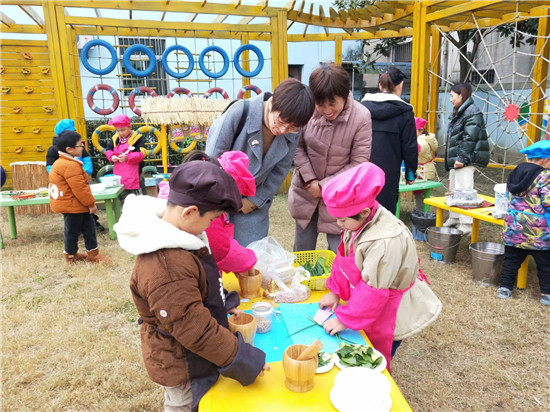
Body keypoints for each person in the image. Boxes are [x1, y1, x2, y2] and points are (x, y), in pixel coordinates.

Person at [114, 161, 269, 412]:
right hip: (182, 362)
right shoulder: (166, 267)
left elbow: (198, 285)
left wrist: (221, 303)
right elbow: (194, 329)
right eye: (212, 219)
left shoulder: (182, 234)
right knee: (186, 405)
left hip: (195, 354)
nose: (210, 226)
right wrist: (244, 359)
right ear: (189, 212)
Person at [317, 162, 441, 372]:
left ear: (365, 212)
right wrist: (335, 292)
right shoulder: (358, 220)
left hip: (390, 305)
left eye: (342, 220)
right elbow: (344, 256)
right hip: (368, 300)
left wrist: (345, 320)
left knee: (373, 357)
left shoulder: (385, 242)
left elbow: (373, 290)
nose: (339, 225)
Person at [206, 78, 315, 247]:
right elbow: (212, 159)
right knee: (217, 250)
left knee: (251, 254)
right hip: (219, 198)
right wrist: (220, 199)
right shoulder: (239, 113)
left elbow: (280, 171)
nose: (283, 130)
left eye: (291, 127)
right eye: (281, 122)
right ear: (271, 103)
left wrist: (254, 202)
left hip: (252, 204)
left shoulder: (294, 131)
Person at [288, 63, 372, 253]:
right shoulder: (307, 110)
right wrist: (310, 180)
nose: (326, 110)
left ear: (344, 94)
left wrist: (324, 186)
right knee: (302, 251)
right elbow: (296, 147)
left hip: (341, 196)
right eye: (320, 104)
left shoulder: (361, 116)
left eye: (332, 103)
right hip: (307, 192)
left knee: (338, 252)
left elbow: (359, 163)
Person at [180, 150, 258, 277]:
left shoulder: (192, 196)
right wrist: (248, 259)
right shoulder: (206, 210)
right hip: (187, 276)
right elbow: (220, 249)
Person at [497, 140, 550, 306]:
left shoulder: (516, 173)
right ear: (546, 160)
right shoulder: (545, 176)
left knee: (511, 260)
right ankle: (546, 294)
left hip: (514, 228)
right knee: (545, 264)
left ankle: (505, 288)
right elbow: (548, 202)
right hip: (538, 232)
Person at [361, 67, 418, 215]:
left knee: (361, 211)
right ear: (400, 85)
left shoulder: (362, 108)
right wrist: (410, 174)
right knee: (385, 213)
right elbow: (410, 146)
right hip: (389, 172)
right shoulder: (405, 112)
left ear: (380, 86)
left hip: (362, 169)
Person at [48, 130, 110, 264]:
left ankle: (92, 254)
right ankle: (71, 256)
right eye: (80, 145)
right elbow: (80, 189)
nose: (82, 147)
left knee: (89, 228)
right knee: (72, 231)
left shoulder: (62, 162)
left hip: (76, 205)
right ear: (69, 149)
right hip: (73, 206)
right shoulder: (70, 166)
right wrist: (91, 204)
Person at [443, 83, 489, 235]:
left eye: (452, 96)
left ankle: (467, 223)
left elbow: (470, 137)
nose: (450, 99)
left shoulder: (472, 112)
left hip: (466, 159)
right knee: (453, 188)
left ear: (461, 95)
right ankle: (455, 217)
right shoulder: (461, 111)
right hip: (458, 158)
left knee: (464, 190)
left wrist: (462, 157)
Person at [46, 118, 105, 232]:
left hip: (81, 180)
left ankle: (93, 223)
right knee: (71, 209)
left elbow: (87, 162)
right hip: (65, 186)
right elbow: (50, 167)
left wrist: (83, 172)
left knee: (86, 201)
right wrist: (62, 176)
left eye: (74, 131)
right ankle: (74, 230)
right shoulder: (53, 150)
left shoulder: (78, 148)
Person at [105, 114, 145, 204]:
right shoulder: (115, 139)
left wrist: (128, 157)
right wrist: (112, 156)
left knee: (139, 199)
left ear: (129, 127)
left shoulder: (137, 138)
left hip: (135, 174)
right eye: (117, 130)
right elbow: (108, 150)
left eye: (123, 130)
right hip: (120, 175)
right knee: (124, 198)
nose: (120, 133)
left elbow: (141, 154)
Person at [413, 117, 439, 210]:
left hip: (423, 171)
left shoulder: (421, 141)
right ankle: (420, 211)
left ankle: (421, 212)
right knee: (420, 193)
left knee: (420, 194)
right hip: (423, 170)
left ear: (421, 130)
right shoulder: (423, 138)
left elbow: (418, 149)